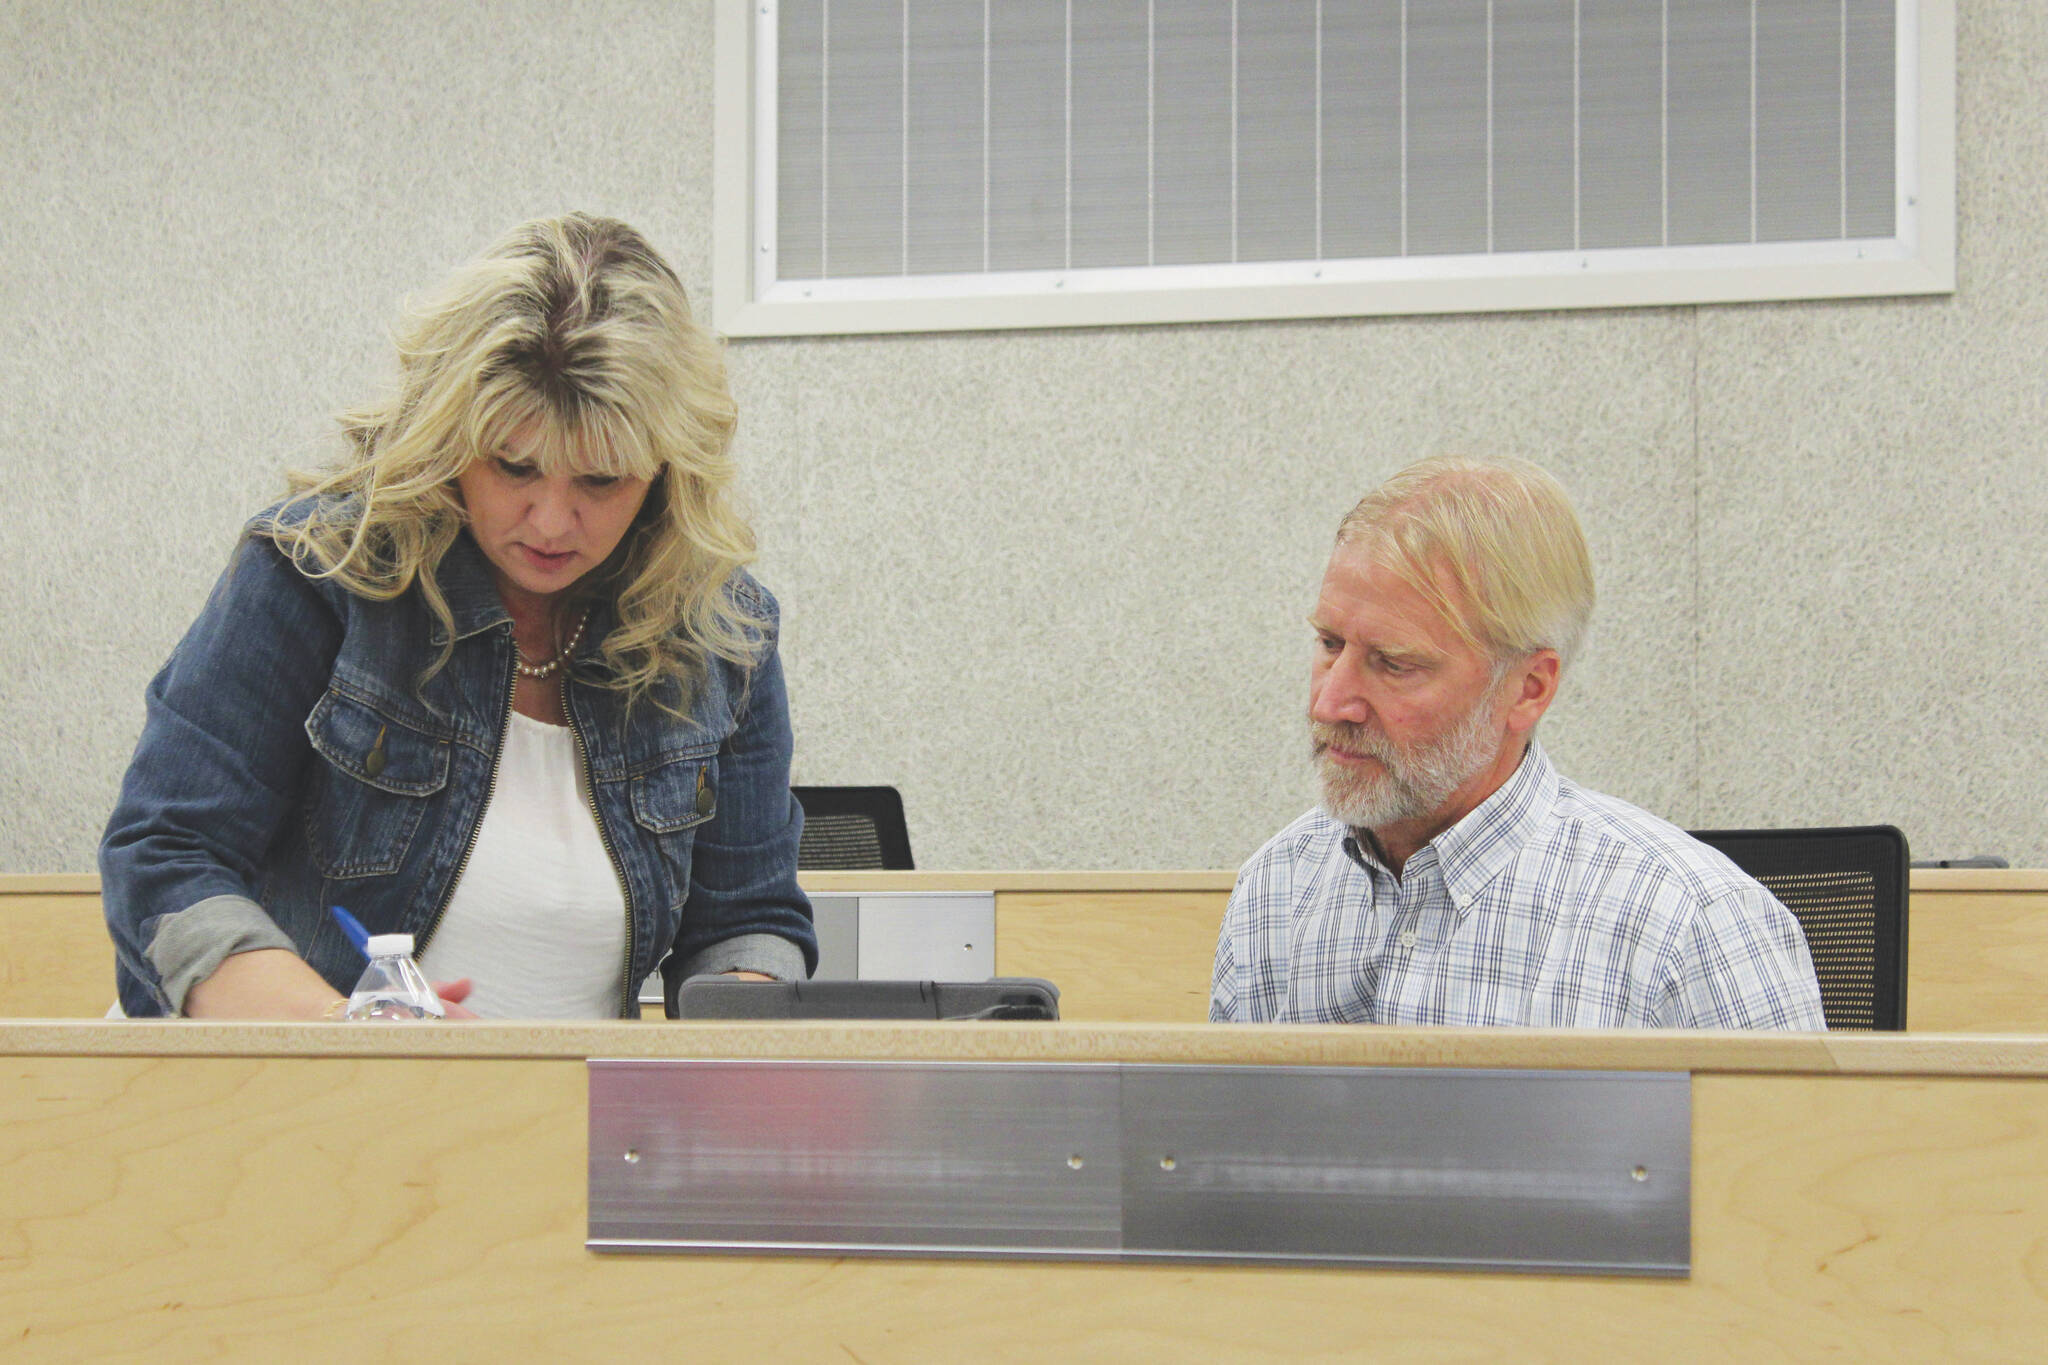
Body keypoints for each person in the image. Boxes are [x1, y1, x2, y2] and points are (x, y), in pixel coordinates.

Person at [101, 213, 815, 1020]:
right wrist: (344, 1032)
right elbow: (164, 858)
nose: (550, 521)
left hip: (569, 1126)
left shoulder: (722, 635)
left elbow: (748, 922)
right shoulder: (319, 574)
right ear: (448, 438)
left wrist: (738, 1060)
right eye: (514, 466)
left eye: (602, 481)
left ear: (665, 475)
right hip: (297, 1111)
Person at [1210, 455, 1825, 1029]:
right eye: (1329, 645)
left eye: (1394, 664)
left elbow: (1793, 1148)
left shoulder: (1691, 930)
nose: (1329, 703)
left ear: (1527, 688)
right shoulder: (1278, 889)